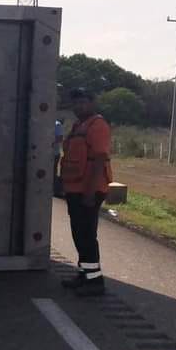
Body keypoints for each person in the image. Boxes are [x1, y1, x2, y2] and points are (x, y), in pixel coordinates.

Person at [60, 88, 113, 296]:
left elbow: (100, 159)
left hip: (88, 190)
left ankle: (95, 282)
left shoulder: (97, 126)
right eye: (76, 103)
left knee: (87, 235)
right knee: (79, 234)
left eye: (83, 102)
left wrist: (90, 192)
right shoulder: (78, 126)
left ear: (92, 103)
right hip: (76, 188)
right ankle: (84, 274)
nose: (79, 106)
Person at [53, 119, 65, 197]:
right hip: (44, 152)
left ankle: (55, 190)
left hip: (54, 153)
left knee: (52, 172)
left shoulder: (57, 124)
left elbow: (60, 138)